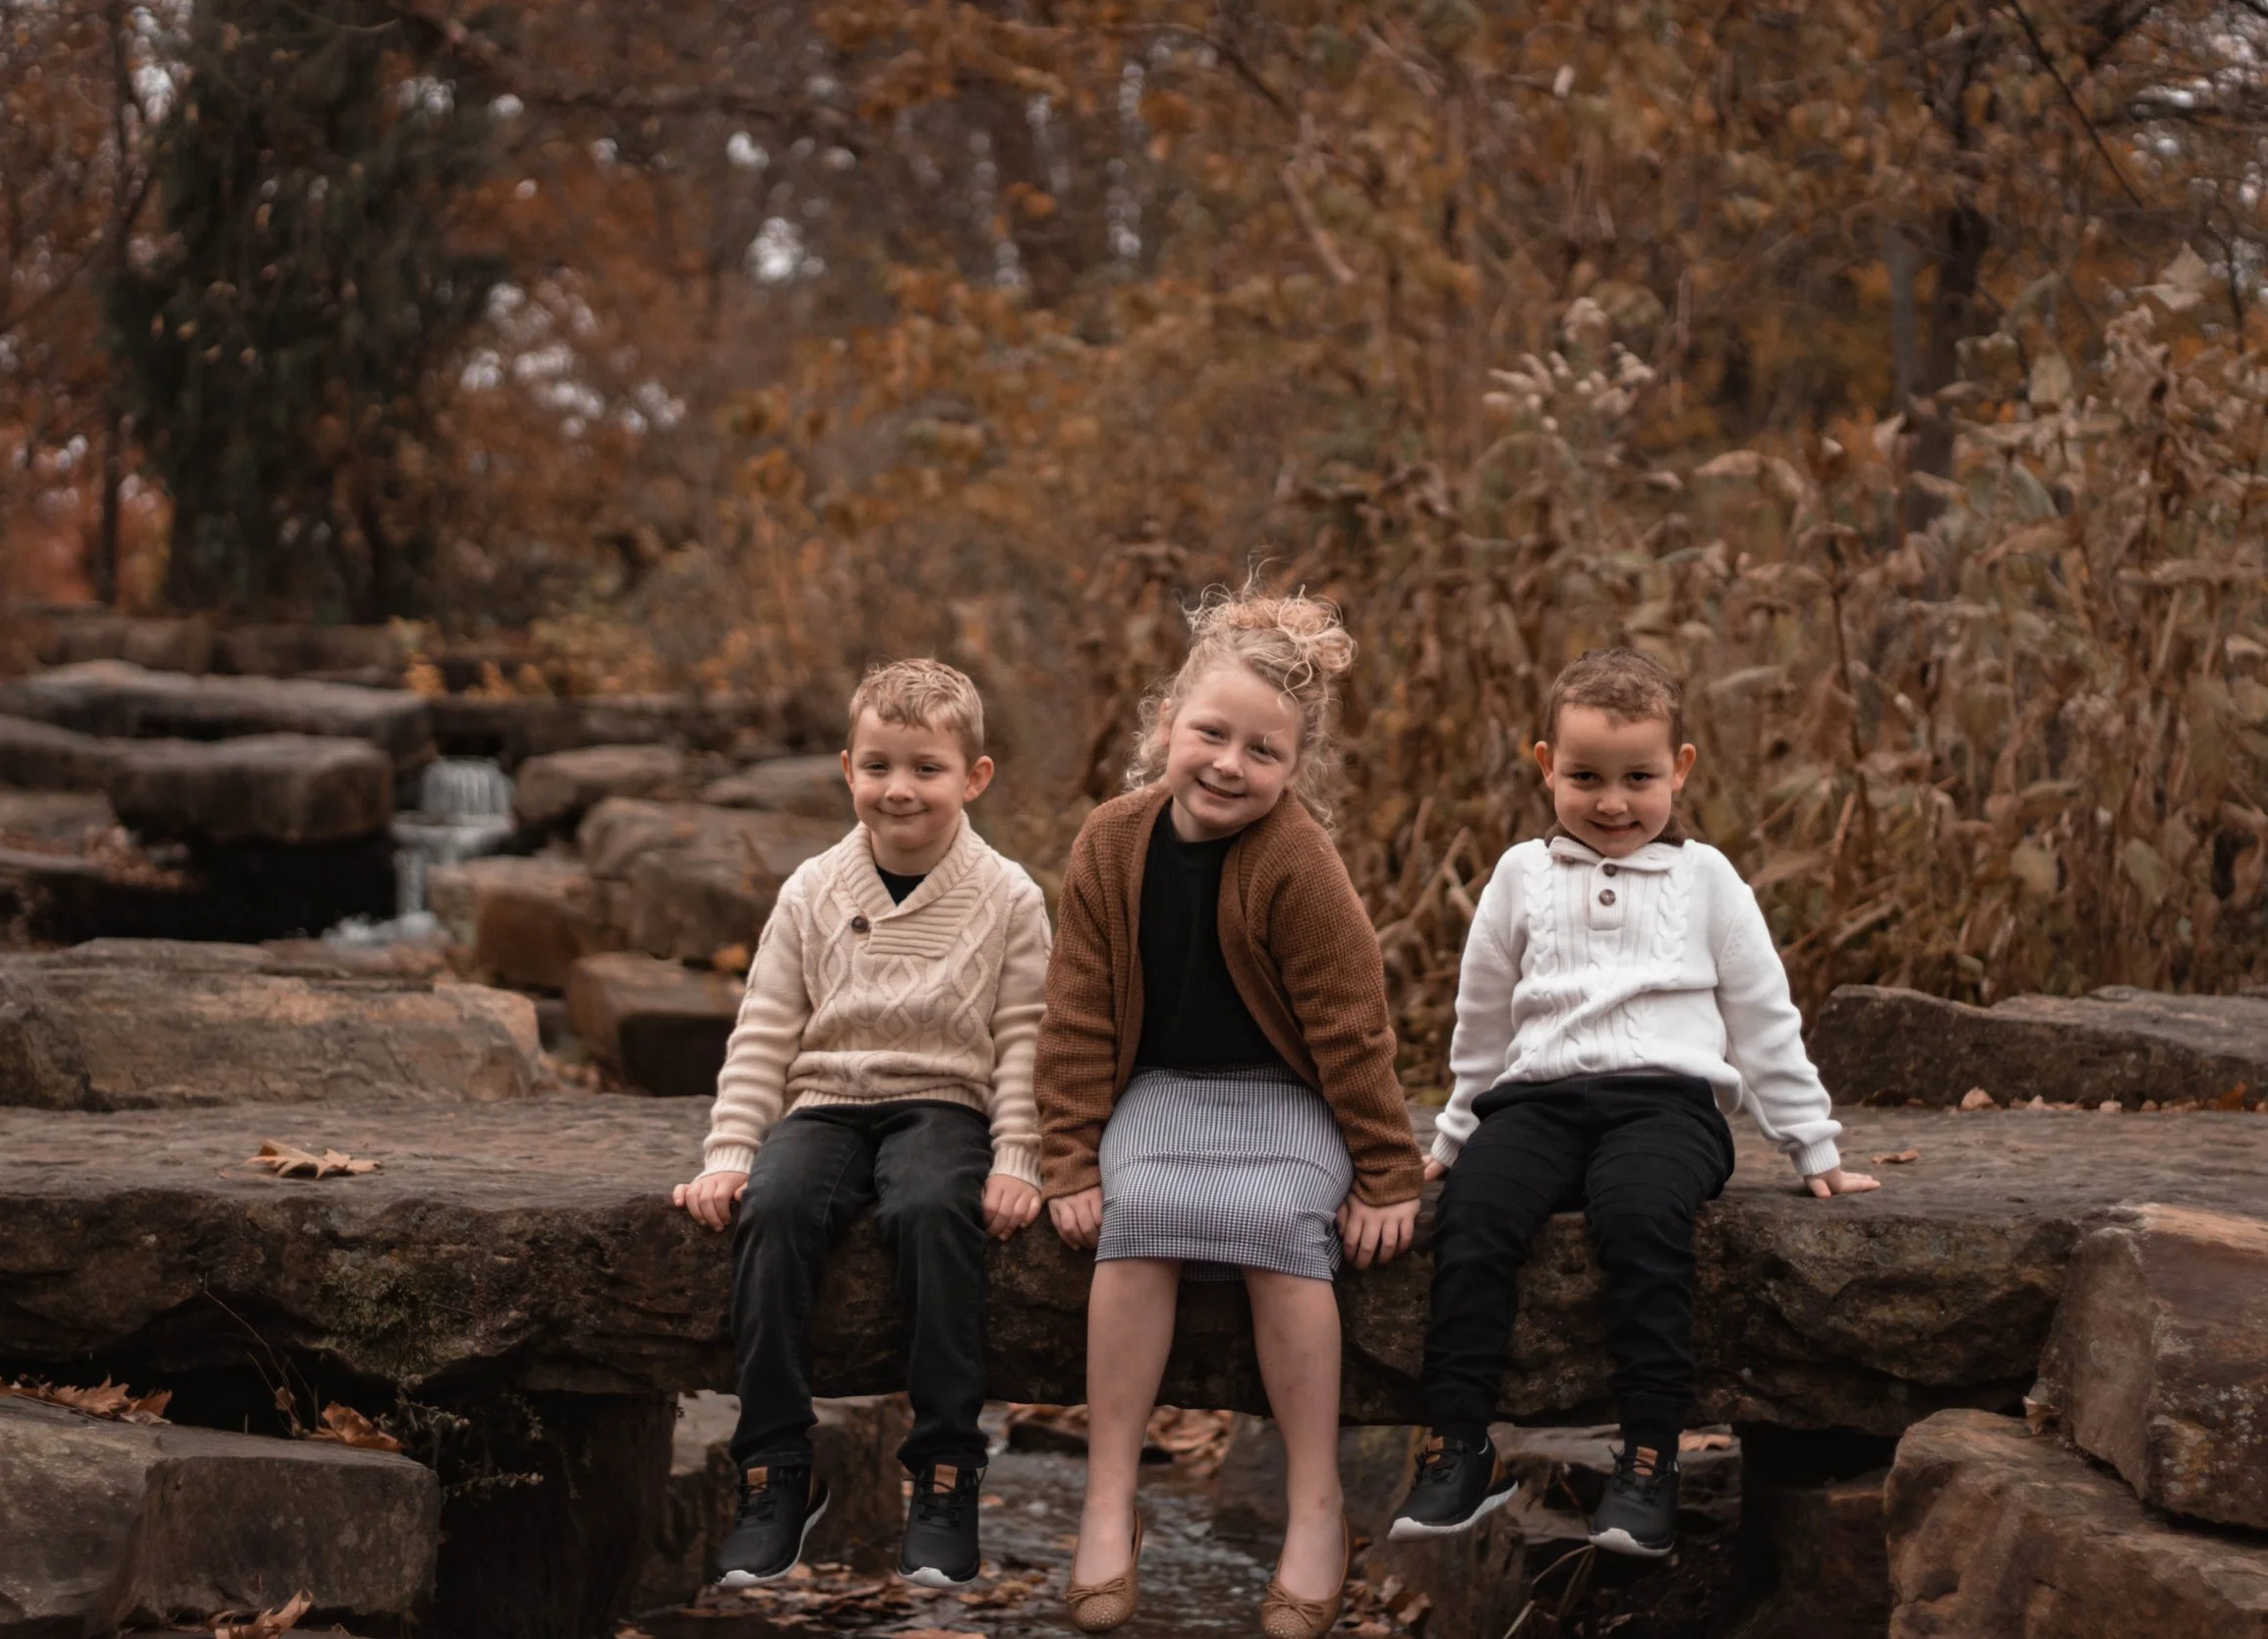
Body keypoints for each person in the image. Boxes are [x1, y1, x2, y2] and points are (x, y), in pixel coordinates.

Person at [1387, 648, 1880, 1559]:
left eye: (1639, 778)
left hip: (1666, 1105)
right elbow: (1485, 1016)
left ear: (1680, 768)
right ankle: (1459, 1443)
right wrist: (1455, 1134)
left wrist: (1814, 1148)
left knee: (1642, 1217)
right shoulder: (1517, 877)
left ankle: (1649, 1458)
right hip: (1535, 1102)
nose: (1612, 803)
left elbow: (1763, 1017)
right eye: (1584, 778)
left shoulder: (1709, 882)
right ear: (1545, 765)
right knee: (1476, 1218)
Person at [1039, 590, 1426, 1639]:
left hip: (1282, 1095)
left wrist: (1387, 1173)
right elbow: (1074, 1013)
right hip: (1159, 1091)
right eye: (1210, 732)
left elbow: (1353, 1031)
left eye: (1262, 750)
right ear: (1167, 722)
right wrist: (1069, 1159)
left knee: (1282, 1228)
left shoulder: (1298, 863)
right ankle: (1109, 1497)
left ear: (1294, 768)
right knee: (1140, 1212)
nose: (1226, 763)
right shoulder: (1109, 843)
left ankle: (1314, 1503)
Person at [672, 658, 1051, 1590]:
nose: (900, 788)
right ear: (848, 769)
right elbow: (764, 1029)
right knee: (776, 1205)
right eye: (878, 765)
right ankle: (776, 1471)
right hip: (828, 1100)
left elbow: (1025, 1042)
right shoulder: (812, 888)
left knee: (931, 1211)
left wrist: (1019, 1159)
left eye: (926, 767)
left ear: (975, 777)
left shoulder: (1009, 896)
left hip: (944, 1101)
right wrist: (729, 1152)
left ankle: (944, 1474)